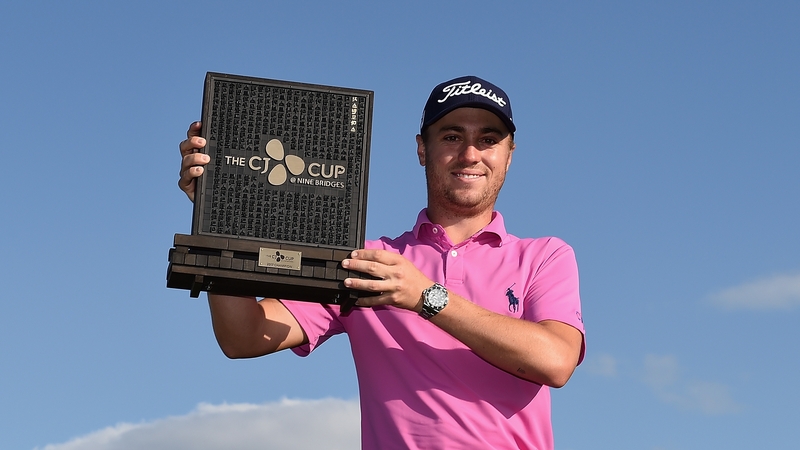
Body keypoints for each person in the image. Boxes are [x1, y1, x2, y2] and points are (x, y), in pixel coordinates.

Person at [178, 75, 585, 450]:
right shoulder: (367, 261)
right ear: (422, 149)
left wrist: (424, 296)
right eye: (451, 136)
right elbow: (244, 337)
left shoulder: (544, 255)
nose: (470, 153)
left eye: (489, 139)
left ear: (509, 155)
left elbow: (555, 361)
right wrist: (220, 214)